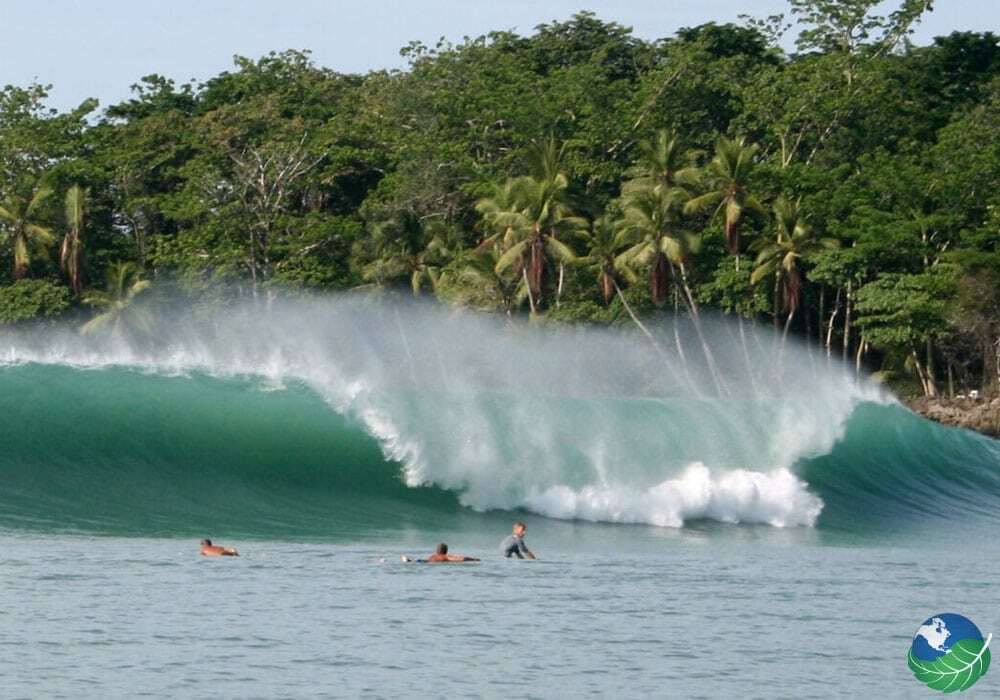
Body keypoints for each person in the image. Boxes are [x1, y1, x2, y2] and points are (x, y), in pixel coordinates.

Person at [402, 543, 479, 563]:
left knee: (418, 561)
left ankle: (409, 560)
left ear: (437, 550)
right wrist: (474, 559)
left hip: (426, 561)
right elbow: (461, 559)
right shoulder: (445, 556)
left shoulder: (432, 556)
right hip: (436, 562)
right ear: (446, 551)